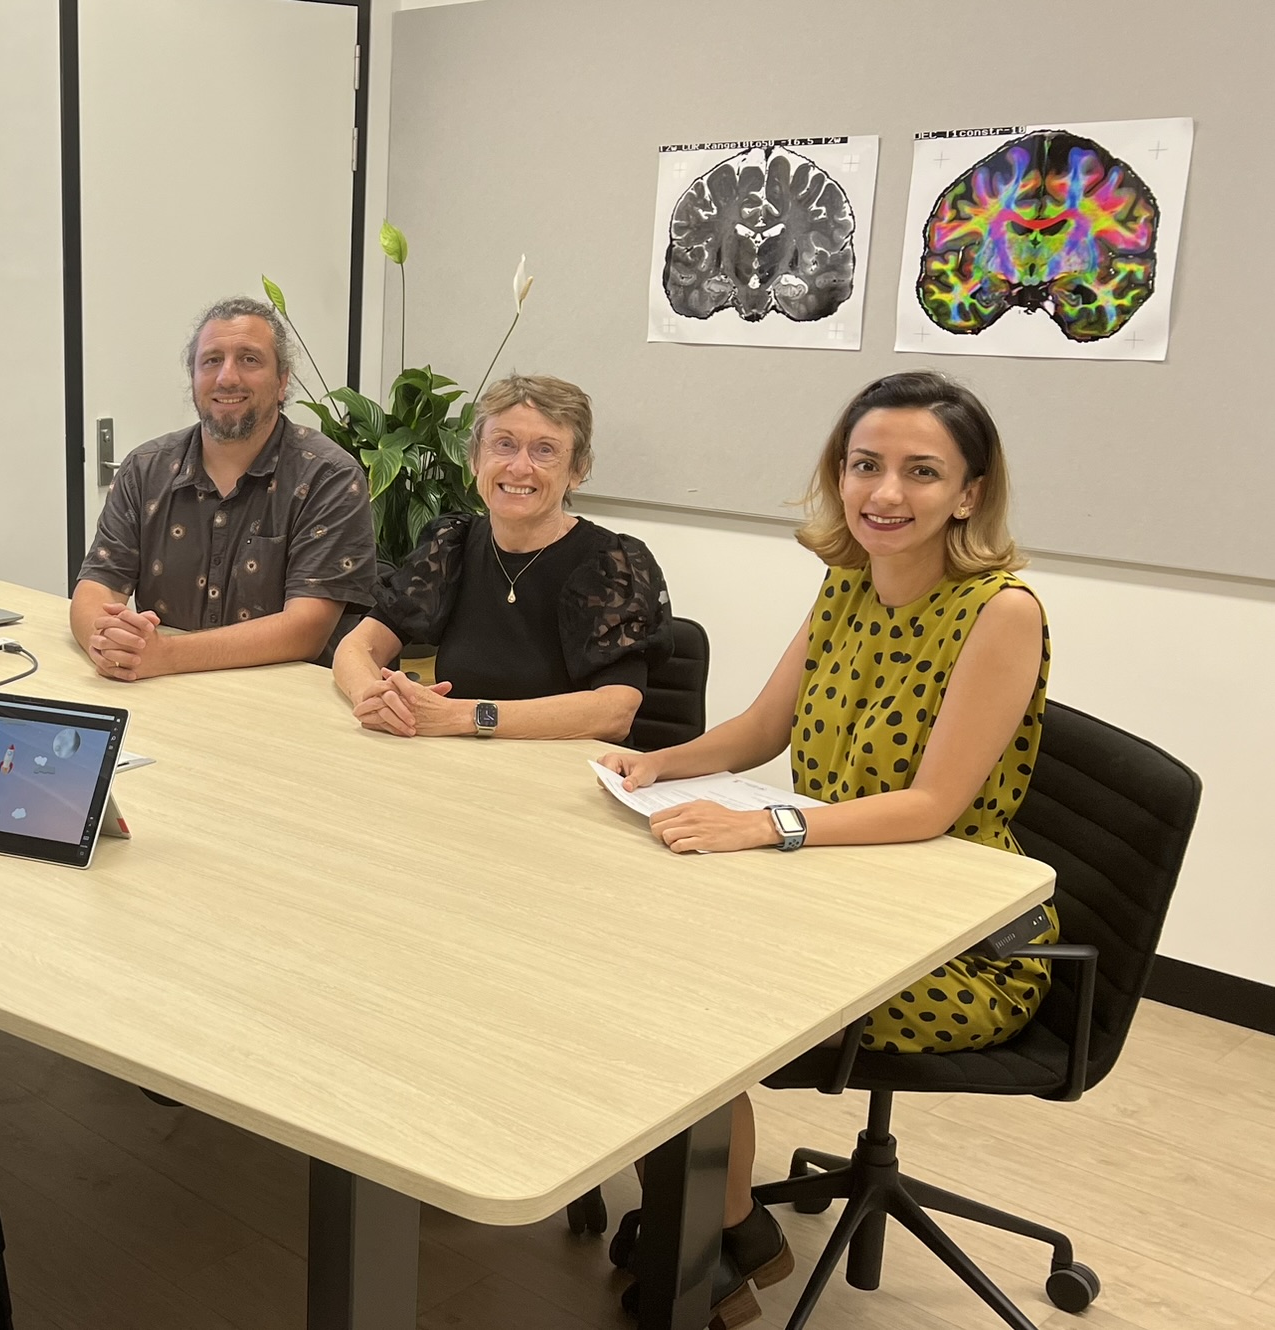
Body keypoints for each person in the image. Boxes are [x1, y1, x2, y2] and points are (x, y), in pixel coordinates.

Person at [598, 371, 1051, 1328]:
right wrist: (658, 763)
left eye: (922, 472)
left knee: (700, 1001)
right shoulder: (847, 582)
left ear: (970, 493)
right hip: (836, 886)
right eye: (865, 466)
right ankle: (724, 1234)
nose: (886, 494)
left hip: (957, 939)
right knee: (631, 948)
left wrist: (769, 825)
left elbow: (930, 807)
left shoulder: (1002, 611)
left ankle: (708, 1245)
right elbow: (765, 726)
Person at [332, 374, 670, 740]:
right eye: (504, 444)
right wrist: (374, 697)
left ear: (577, 471)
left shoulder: (610, 562)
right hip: (465, 766)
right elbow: (357, 646)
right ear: (475, 458)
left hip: (565, 774)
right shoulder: (451, 544)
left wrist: (463, 717)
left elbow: (614, 711)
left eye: (545, 450)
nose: (520, 467)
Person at [72, 295, 376, 680]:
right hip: (162, 691)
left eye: (249, 359)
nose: (227, 377)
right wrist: (108, 642)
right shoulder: (144, 469)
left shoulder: (328, 476)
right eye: (212, 360)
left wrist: (166, 656)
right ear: (194, 378)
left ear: (282, 381)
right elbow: (96, 586)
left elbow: (307, 630)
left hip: (284, 704)